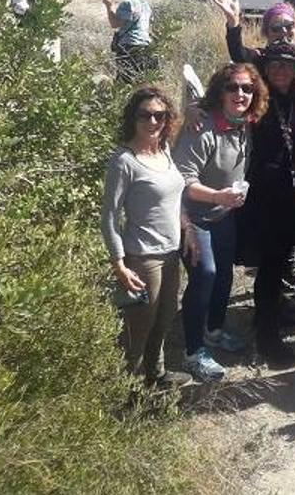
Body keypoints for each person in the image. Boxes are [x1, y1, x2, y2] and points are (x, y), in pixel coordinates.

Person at [211, 0, 295, 291]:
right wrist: (233, 24)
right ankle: (272, 280)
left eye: (288, 26)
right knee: (271, 221)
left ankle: (289, 268)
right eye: (276, 28)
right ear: (266, 31)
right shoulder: (261, 60)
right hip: (269, 150)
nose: (283, 32)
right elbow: (239, 56)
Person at [172, 63, 268, 381]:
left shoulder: (244, 124)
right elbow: (183, 181)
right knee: (205, 274)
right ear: (220, 92)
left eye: (247, 88)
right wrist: (217, 196)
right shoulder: (202, 127)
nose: (240, 94)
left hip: (222, 215)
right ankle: (193, 352)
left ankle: (213, 330)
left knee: (224, 275)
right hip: (191, 217)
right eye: (232, 87)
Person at [101, 86, 190, 388]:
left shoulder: (163, 150)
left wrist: (185, 229)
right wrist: (119, 265)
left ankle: (157, 376)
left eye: (160, 115)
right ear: (133, 118)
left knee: (164, 320)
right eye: (145, 115)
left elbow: (172, 198)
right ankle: (127, 392)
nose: (153, 122)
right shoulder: (124, 161)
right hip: (143, 258)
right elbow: (110, 217)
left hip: (171, 253)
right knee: (137, 330)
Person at [239, 42, 295, 367]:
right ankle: (267, 339)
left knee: (282, 259)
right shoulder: (254, 99)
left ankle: (269, 315)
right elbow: (220, 104)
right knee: (270, 267)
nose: (281, 70)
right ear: (265, 69)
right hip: (264, 197)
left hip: (293, 194)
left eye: (288, 65)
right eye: (274, 65)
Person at [102, 0, 154, 83]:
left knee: (125, 80)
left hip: (129, 45)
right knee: (141, 80)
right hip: (144, 45)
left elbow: (115, 23)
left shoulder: (127, 4)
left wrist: (109, 6)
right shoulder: (144, 3)